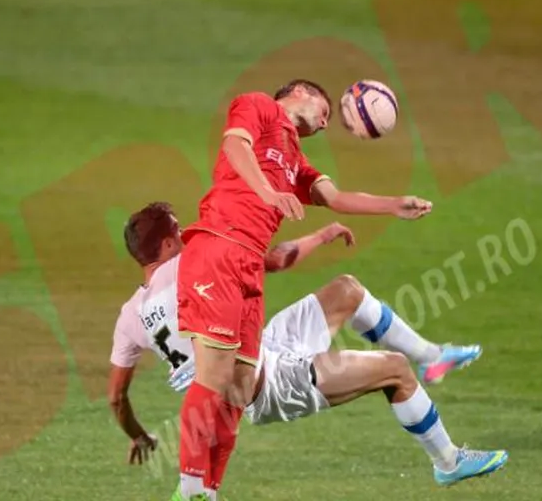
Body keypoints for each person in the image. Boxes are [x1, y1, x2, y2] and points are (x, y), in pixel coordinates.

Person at [108, 202, 508, 496]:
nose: (186, 236)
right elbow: (277, 260)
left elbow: (117, 400)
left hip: (260, 351)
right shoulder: (193, 261)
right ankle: (448, 461)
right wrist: (321, 235)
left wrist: (140, 437)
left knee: (346, 291)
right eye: (179, 231)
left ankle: (434, 358)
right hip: (270, 383)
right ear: (167, 242)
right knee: (395, 370)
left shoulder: (129, 317)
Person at [173, 79, 436, 501]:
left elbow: (337, 197)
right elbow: (235, 146)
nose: (326, 123)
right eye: (326, 112)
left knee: (239, 388)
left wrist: (392, 204)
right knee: (214, 377)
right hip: (219, 247)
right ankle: (188, 493)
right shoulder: (258, 106)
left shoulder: (296, 160)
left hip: (250, 268)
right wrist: (268, 192)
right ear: (300, 93)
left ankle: (210, 491)